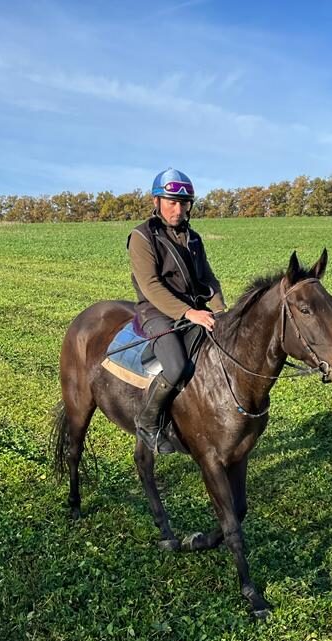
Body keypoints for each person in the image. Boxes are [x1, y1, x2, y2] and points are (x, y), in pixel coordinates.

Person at [127, 167, 227, 453]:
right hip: (157, 312)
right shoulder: (142, 237)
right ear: (156, 202)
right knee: (176, 366)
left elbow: (208, 278)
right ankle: (148, 423)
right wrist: (188, 313)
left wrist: (221, 311)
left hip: (194, 308)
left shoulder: (193, 238)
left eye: (184, 203)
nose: (178, 209)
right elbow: (150, 285)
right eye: (171, 202)